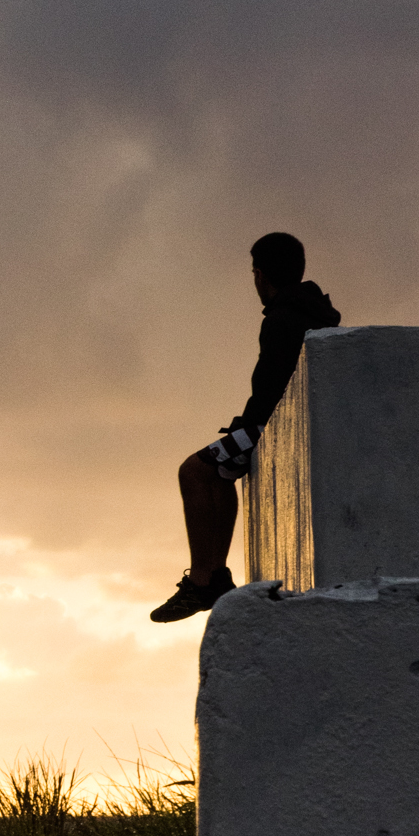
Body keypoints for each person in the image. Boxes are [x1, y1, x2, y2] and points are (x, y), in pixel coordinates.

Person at [150, 233, 341, 623]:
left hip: (267, 426)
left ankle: (205, 579)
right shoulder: (311, 311)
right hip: (284, 422)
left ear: (260, 274)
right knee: (218, 471)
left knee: (195, 470)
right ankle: (213, 576)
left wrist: (243, 428)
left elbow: (269, 390)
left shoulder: (282, 317)